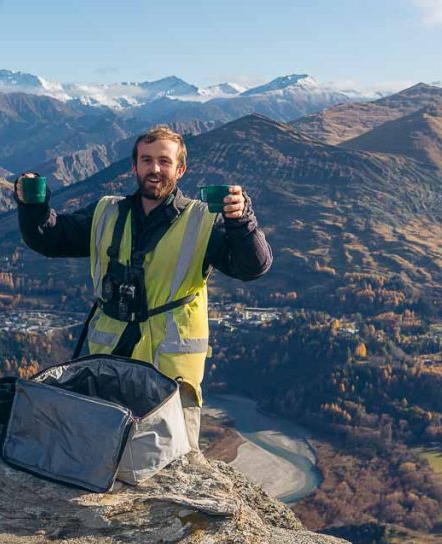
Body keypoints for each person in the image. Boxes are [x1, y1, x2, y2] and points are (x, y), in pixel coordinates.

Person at [15, 125, 272, 450]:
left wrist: (242, 221)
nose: (154, 169)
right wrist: (31, 205)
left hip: (168, 373)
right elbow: (50, 238)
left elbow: (253, 266)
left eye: (164, 161)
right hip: (109, 362)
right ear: (134, 166)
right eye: (147, 160)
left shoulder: (203, 220)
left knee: (173, 459)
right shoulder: (106, 212)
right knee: (101, 451)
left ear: (180, 170)